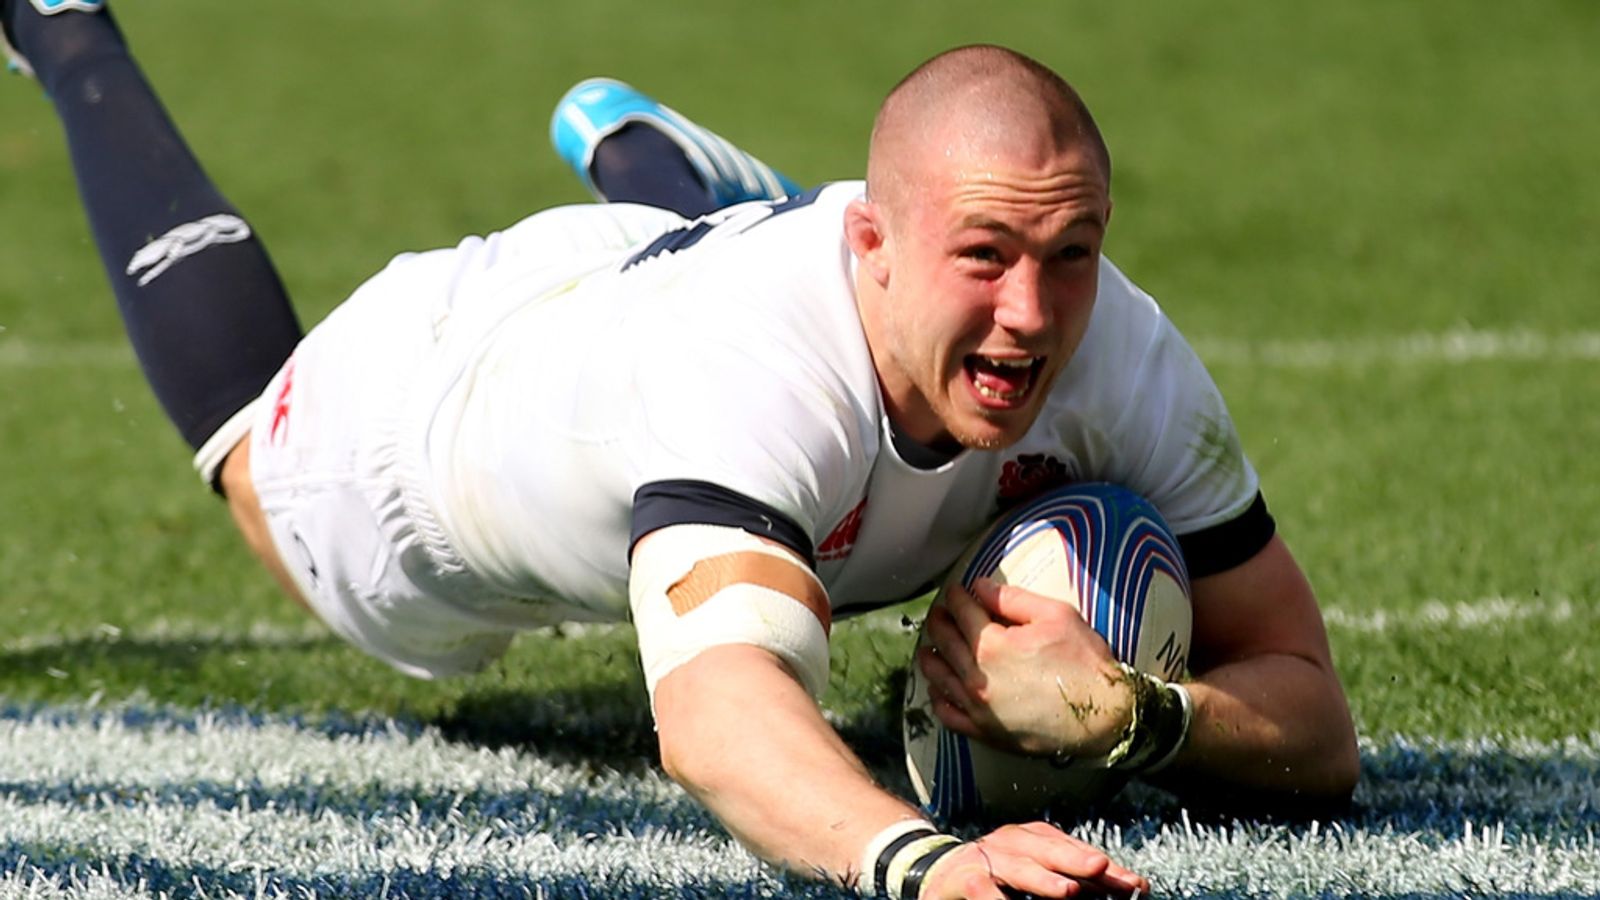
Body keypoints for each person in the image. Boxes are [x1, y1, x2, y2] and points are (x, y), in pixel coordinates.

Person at [4, 0, 1359, 895]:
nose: (1033, 312)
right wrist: (924, 867)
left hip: (668, 291)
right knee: (256, 460)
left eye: (1072, 253)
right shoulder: (750, 375)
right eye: (987, 255)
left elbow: (1315, 716)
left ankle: (697, 200)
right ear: (873, 245)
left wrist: (1140, 711)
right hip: (432, 416)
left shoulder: (1119, 349)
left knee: (826, 343)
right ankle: (71, 36)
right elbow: (714, 722)